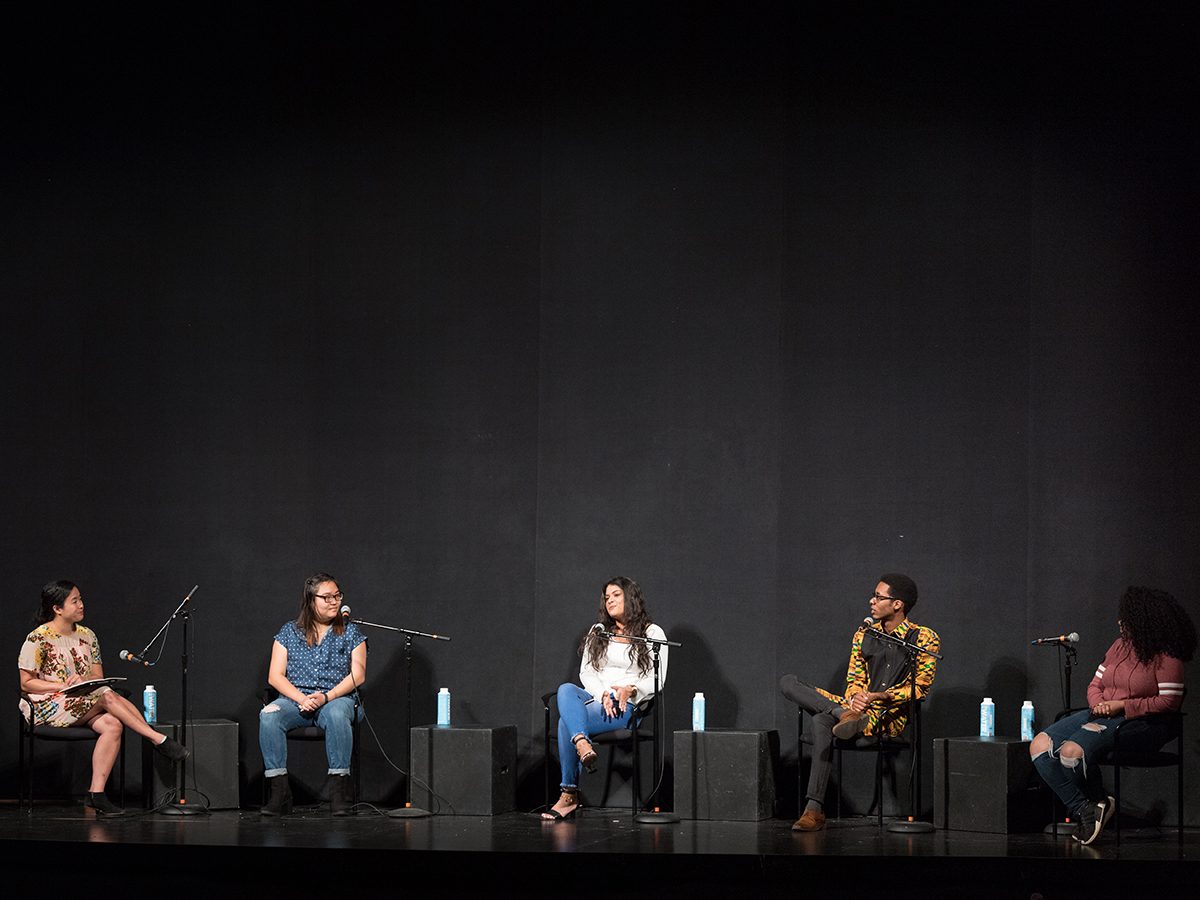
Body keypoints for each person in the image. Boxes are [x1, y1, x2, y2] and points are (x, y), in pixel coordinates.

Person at [1030, 585, 1195, 845]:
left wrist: (1122, 706)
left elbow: (1169, 702)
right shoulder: (1119, 646)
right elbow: (1095, 685)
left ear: (1144, 620)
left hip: (1141, 722)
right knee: (1040, 746)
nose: (1120, 622)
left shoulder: (1166, 655)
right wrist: (1100, 705)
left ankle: (1097, 802)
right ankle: (1086, 809)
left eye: (1126, 617)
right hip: (1105, 714)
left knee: (1072, 752)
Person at [779, 573, 939, 832]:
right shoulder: (864, 634)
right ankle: (842, 713)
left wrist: (880, 696)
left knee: (820, 720)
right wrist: (855, 698)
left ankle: (813, 810)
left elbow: (920, 688)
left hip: (885, 715)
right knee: (788, 682)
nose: (871, 601)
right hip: (855, 709)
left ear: (897, 604)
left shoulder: (923, 638)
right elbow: (854, 679)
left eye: (878, 597)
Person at [17, 580, 190, 816]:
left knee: (112, 723)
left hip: (83, 701)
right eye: (74, 601)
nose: (81, 605)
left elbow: (97, 677)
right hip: (48, 704)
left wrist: (83, 681)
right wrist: (62, 684)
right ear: (57, 608)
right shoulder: (38, 638)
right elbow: (26, 683)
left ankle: (96, 794)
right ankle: (156, 739)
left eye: (80, 599)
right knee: (106, 695)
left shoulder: (88, 635)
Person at [542, 576, 669, 821]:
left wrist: (630, 690)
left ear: (630, 596)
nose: (610, 600)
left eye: (616, 595)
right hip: (597, 699)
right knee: (566, 689)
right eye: (607, 597)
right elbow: (587, 672)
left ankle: (569, 794)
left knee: (565, 722)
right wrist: (602, 694)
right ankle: (582, 743)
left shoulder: (652, 633)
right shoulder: (599, 631)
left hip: (626, 706)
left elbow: (658, 679)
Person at [259, 572, 367, 817]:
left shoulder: (351, 632)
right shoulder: (289, 631)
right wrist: (302, 699)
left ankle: (339, 794)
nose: (334, 601)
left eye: (337, 596)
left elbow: (358, 675)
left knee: (337, 714)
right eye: (327, 597)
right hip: (296, 700)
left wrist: (326, 697)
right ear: (310, 600)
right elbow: (275, 676)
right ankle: (280, 793)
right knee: (269, 715)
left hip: (336, 699)